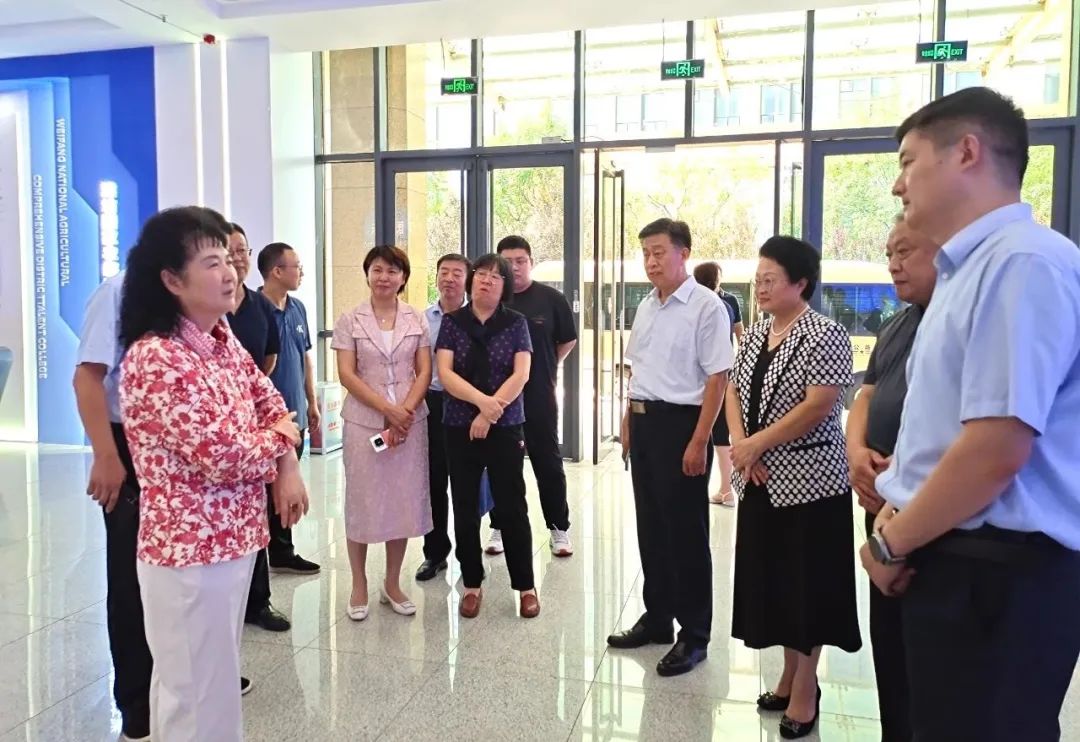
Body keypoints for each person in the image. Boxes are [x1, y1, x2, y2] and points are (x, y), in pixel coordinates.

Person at [867, 86, 1080, 741]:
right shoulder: (967, 271)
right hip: (953, 556)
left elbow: (994, 450)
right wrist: (897, 505)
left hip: (997, 573)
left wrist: (890, 541)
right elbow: (939, 426)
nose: (899, 185)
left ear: (966, 152)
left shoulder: (1022, 263)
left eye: (908, 162)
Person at [118, 206, 309, 742]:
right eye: (212, 262)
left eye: (229, 258)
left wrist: (284, 456)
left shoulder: (219, 338)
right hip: (188, 551)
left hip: (234, 538)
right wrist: (282, 442)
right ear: (172, 280)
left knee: (217, 682)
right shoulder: (157, 358)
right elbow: (225, 454)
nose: (230, 271)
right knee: (191, 693)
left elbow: (271, 402)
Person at [726, 236, 861, 740]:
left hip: (811, 486)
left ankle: (806, 688)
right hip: (759, 480)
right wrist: (742, 445)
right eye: (757, 280)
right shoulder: (756, 333)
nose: (760, 288)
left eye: (770, 280)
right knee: (777, 585)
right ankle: (787, 675)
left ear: (800, 283)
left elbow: (819, 405)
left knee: (809, 589)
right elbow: (733, 390)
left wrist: (756, 444)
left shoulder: (825, 334)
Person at [607, 219, 731, 678]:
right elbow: (639, 370)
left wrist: (700, 440)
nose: (651, 261)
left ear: (684, 253)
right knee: (652, 527)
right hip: (645, 423)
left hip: (683, 427)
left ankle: (695, 635)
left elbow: (717, 377)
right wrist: (628, 419)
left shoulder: (706, 306)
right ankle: (658, 617)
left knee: (686, 535)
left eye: (659, 252)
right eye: (645, 253)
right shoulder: (647, 306)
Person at [846, 216, 939, 742]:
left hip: (924, 515)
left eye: (905, 252)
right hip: (878, 504)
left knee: (929, 664)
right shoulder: (900, 323)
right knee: (890, 643)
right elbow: (867, 392)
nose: (892, 264)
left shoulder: (958, 322)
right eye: (888, 253)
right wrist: (857, 452)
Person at [73, 272, 154, 742]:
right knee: (131, 576)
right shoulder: (118, 291)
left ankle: (180, 682)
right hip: (127, 443)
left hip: (177, 446)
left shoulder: (195, 295)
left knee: (177, 581)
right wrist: (106, 454)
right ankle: (137, 703)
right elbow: (88, 375)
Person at [435, 253, 538, 620]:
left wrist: (490, 414)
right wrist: (482, 405)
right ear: (472, 279)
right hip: (459, 424)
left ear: (504, 286)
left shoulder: (516, 323)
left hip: (506, 426)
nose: (486, 280)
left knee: (512, 506)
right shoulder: (452, 322)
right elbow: (445, 374)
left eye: (496, 276)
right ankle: (471, 584)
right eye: (481, 273)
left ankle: (526, 586)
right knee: (464, 506)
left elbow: (521, 374)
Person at [332, 246, 432, 620]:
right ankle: (358, 583)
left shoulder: (416, 318)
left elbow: (424, 371)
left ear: (403, 277)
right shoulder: (349, 319)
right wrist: (387, 410)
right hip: (364, 423)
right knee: (362, 501)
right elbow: (347, 374)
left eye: (392, 271)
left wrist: (403, 412)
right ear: (367, 274)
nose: (384, 277)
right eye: (377, 269)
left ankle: (392, 582)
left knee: (401, 502)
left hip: (410, 423)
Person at [487, 235, 577, 557]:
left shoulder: (552, 299)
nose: (514, 267)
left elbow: (567, 341)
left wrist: (546, 366)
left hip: (539, 395)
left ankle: (558, 527)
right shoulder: (492, 300)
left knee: (547, 461)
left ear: (531, 262)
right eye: (507, 262)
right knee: (501, 464)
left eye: (520, 261)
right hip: (498, 398)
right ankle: (498, 526)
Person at [224, 222, 291, 634]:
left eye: (242, 251)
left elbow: (267, 362)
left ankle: (258, 601)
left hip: (252, 422)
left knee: (256, 512)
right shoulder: (196, 313)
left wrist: (250, 399)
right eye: (227, 251)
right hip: (219, 433)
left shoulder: (260, 306)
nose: (236, 259)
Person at [256, 242, 322, 576]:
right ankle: (257, 556)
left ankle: (282, 551)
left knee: (287, 485)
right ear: (277, 271)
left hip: (295, 412)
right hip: (264, 421)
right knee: (262, 490)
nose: (301, 272)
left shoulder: (298, 308)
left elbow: (305, 357)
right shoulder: (252, 311)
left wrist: (312, 402)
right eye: (297, 266)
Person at [416, 253, 470, 581]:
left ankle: (469, 556)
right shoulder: (422, 320)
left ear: (467, 279)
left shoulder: (477, 318)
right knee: (433, 482)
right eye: (443, 272)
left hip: (467, 405)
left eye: (456, 273)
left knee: (466, 482)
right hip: (433, 403)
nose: (449, 278)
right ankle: (435, 553)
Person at [691, 261, 743, 507]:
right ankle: (726, 489)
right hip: (723, 374)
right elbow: (741, 336)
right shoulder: (729, 302)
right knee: (721, 434)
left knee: (704, 433)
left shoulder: (693, 303)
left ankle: (715, 489)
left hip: (699, 377)